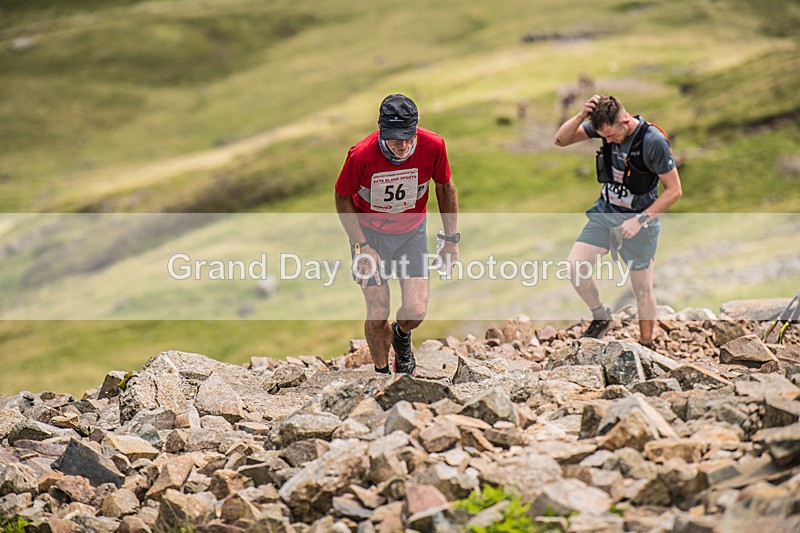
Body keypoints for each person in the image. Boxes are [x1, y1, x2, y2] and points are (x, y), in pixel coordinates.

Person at [335, 94, 459, 375]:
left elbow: (445, 188)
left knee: (415, 311)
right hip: (369, 235)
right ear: (380, 127)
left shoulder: (434, 145)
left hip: (411, 234)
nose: (402, 146)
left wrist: (451, 240)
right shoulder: (360, 154)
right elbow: (342, 197)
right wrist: (362, 245)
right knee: (378, 310)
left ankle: (401, 336)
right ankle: (381, 376)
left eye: (408, 137)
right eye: (394, 138)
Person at [553, 94, 682, 347]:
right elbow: (560, 140)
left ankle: (646, 345)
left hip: (640, 220)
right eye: (604, 136)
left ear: (625, 120)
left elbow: (674, 191)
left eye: (611, 136)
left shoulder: (653, 141)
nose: (608, 140)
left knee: (642, 289)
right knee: (575, 266)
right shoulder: (604, 128)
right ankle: (601, 316)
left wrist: (640, 221)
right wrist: (581, 116)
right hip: (606, 212)